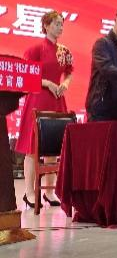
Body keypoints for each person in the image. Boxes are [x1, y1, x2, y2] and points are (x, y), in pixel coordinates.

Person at [15, 11, 73, 208]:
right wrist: (47, 83)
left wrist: (65, 83)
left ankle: (49, 192)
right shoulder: (35, 49)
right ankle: (29, 192)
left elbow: (69, 72)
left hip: (56, 100)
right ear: (46, 26)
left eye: (61, 24)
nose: (60, 27)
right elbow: (27, 75)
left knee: (53, 146)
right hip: (38, 99)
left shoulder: (64, 51)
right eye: (56, 23)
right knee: (32, 148)